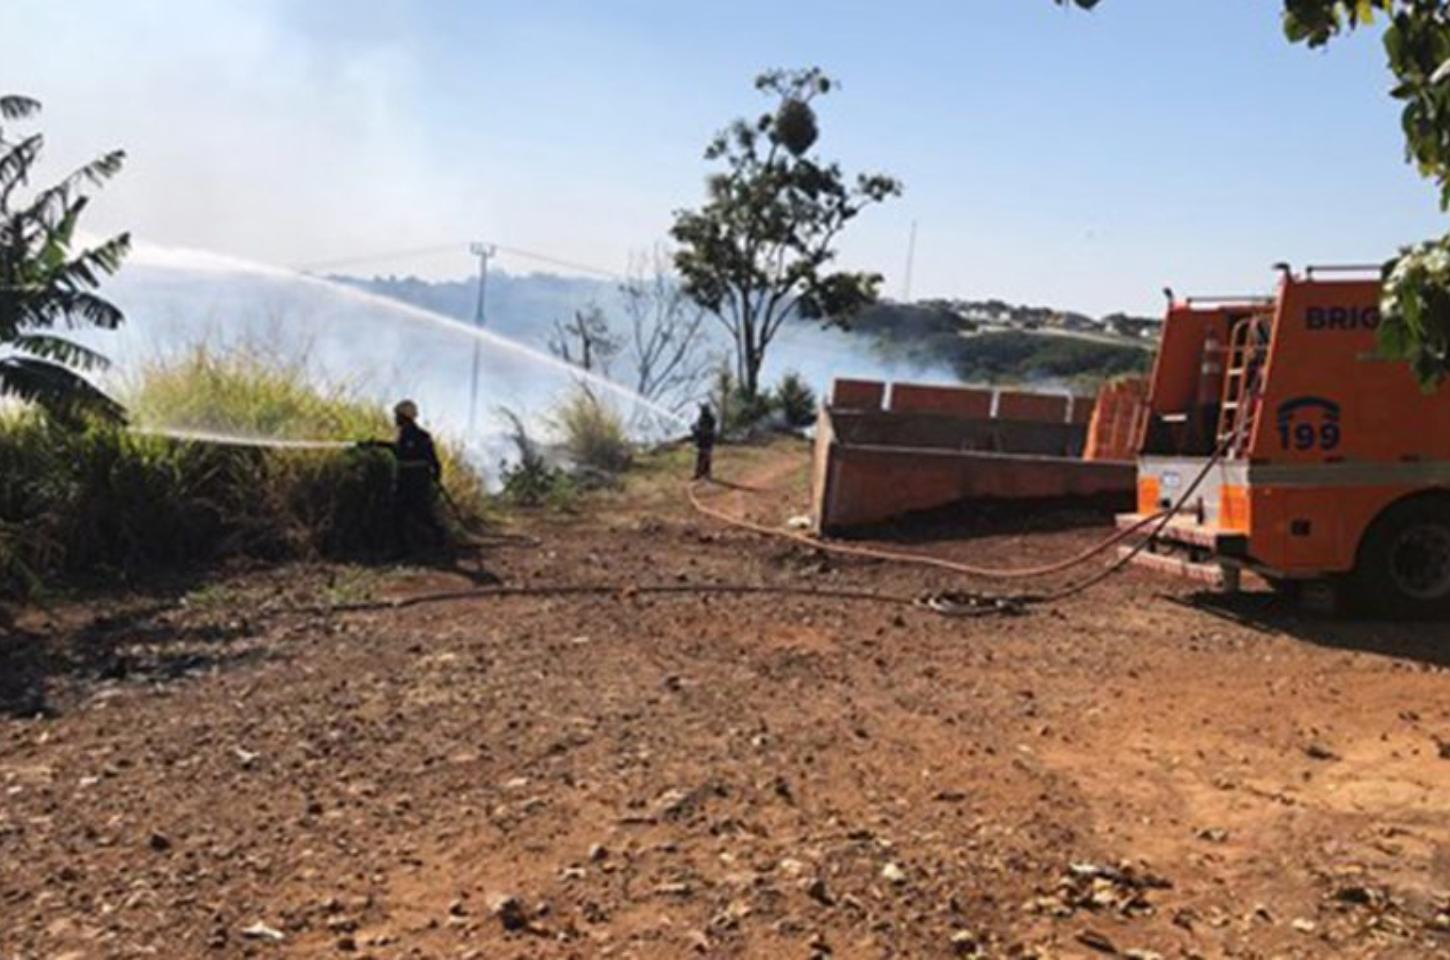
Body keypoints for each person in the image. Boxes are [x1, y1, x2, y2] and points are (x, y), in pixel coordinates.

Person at [360, 400, 446, 556]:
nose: (395, 419)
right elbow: (397, 449)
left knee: (419, 513)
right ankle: (403, 549)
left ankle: (440, 538)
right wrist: (374, 444)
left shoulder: (421, 436)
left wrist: (436, 477)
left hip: (417, 481)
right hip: (404, 479)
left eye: (397, 415)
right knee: (398, 514)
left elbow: (432, 460)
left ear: (406, 417)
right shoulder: (404, 435)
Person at [691, 402, 716, 480]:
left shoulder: (711, 419)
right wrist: (694, 429)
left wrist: (697, 430)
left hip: (707, 442)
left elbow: (707, 430)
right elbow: (699, 429)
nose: (701, 411)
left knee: (706, 458)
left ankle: (706, 474)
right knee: (700, 458)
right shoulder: (701, 418)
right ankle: (699, 474)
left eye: (703, 409)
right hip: (702, 441)